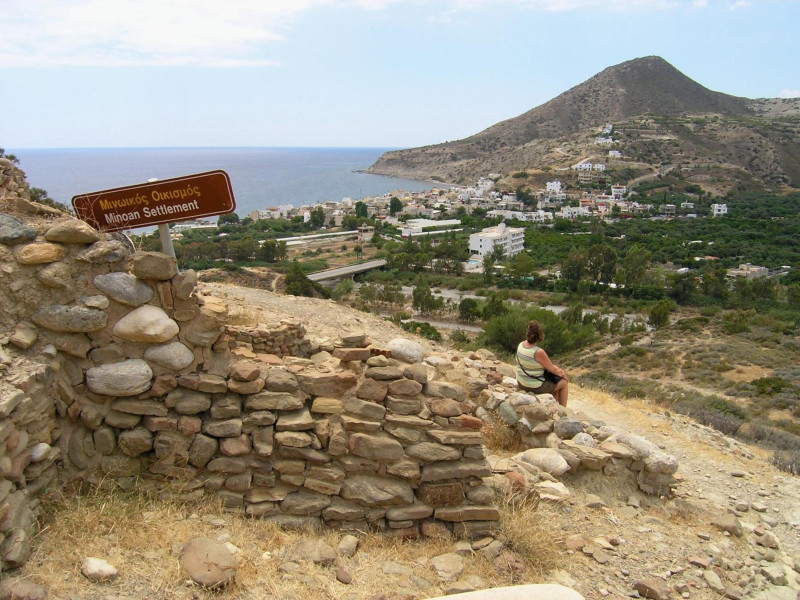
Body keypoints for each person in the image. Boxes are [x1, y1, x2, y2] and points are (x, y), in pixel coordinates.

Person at [515, 320, 569, 407]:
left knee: (554, 381)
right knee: (564, 383)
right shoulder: (538, 352)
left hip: (521, 382)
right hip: (534, 386)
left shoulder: (521, 345)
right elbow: (552, 369)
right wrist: (562, 374)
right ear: (539, 335)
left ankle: (554, 404)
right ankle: (563, 409)